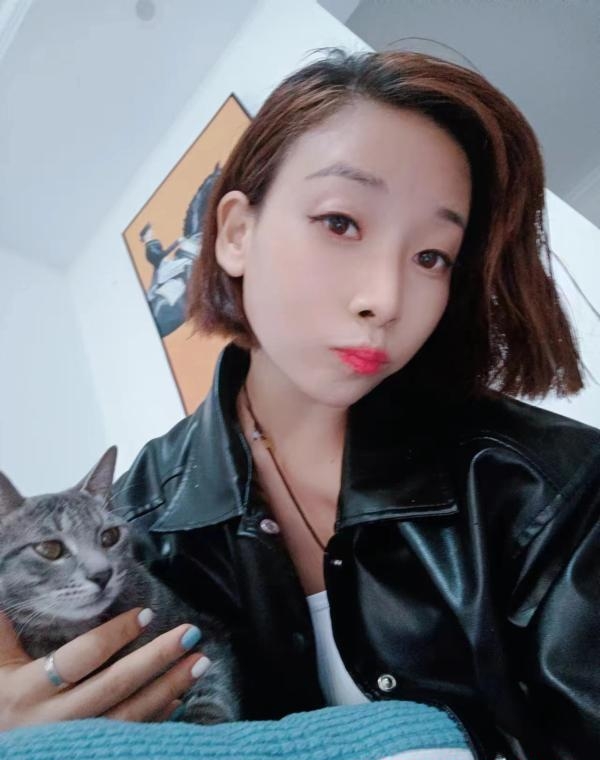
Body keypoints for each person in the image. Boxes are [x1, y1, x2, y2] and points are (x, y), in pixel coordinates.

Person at [1, 49, 598, 760]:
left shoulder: (553, 488)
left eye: (432, 256)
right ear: (235, 234)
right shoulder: (140, 523)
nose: (385, 298)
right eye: (341, 222)